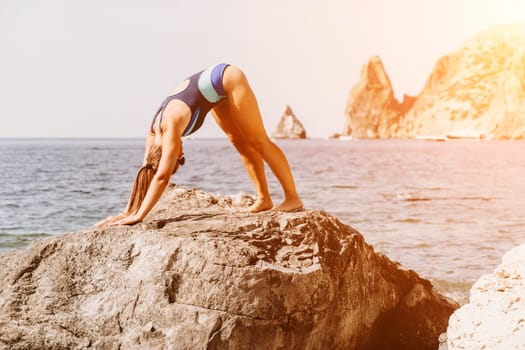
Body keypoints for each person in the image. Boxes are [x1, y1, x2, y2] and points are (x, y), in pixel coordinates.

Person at [96, 63, 303, 227]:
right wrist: (127, 212)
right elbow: (147, 173)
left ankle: (293, 199)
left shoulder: (170, 128)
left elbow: (161, 176)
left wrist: (140, 216)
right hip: (213, 94)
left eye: (180, 158)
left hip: (226, 77)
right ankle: (264, 199)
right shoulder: (153, 136)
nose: (182, 154)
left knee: (258, 140)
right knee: (239, 143)